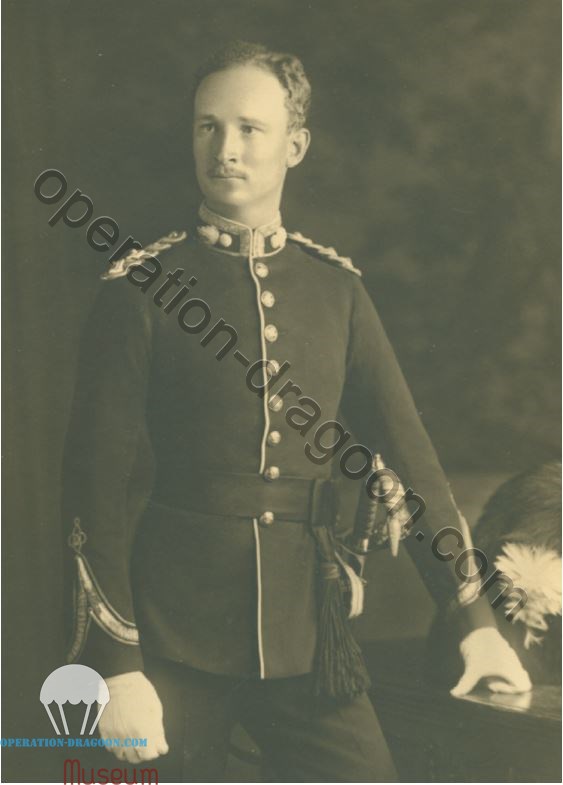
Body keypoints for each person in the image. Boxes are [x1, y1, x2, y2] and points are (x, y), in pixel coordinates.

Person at [62, 41, 531, 782]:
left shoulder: (336, 291)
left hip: (307, 634)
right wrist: (114, 664)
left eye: (249, 128)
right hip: (171, 633)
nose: (225, 149)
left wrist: (473, 622)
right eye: (206, 126)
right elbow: (95, 485)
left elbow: (410, 460)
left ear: (295, 145)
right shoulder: (139, 289)